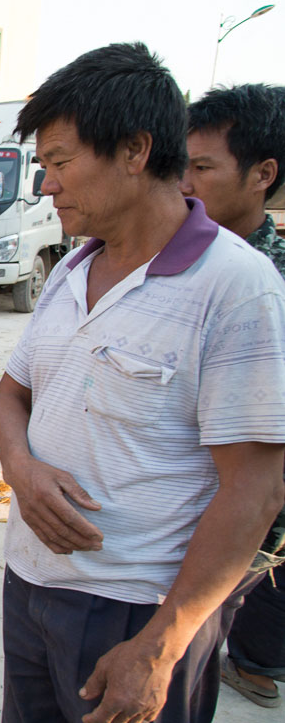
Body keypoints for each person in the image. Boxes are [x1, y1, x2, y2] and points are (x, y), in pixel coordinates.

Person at [0, 42, 285, 723]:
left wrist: (161, 646)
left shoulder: (237, 289)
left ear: (134, 150)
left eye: (60, 163)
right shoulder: (69, 271)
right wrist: (22, 469)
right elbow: (10, 395)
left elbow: (256, 488)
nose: (47, 185)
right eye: (44, 166)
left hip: (135, 608)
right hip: (29, 584)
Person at [182, 82, 285, 709]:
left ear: (262, 174)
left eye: (202, 167)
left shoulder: (269, 281)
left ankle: (251, 661)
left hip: (254, 495)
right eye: (180, 163)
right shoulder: (168, 260)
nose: (184, 181)